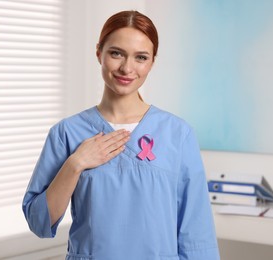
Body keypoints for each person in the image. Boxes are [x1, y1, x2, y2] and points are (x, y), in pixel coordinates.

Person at [23, 10, 220, 260]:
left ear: (152, 62)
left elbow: (197, 235)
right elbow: (38, 221)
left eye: (141, 57)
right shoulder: (67, 133)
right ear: (99, 53)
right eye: (116, 53)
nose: (127, 68)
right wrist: (75, 164)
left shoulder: (178, 134)